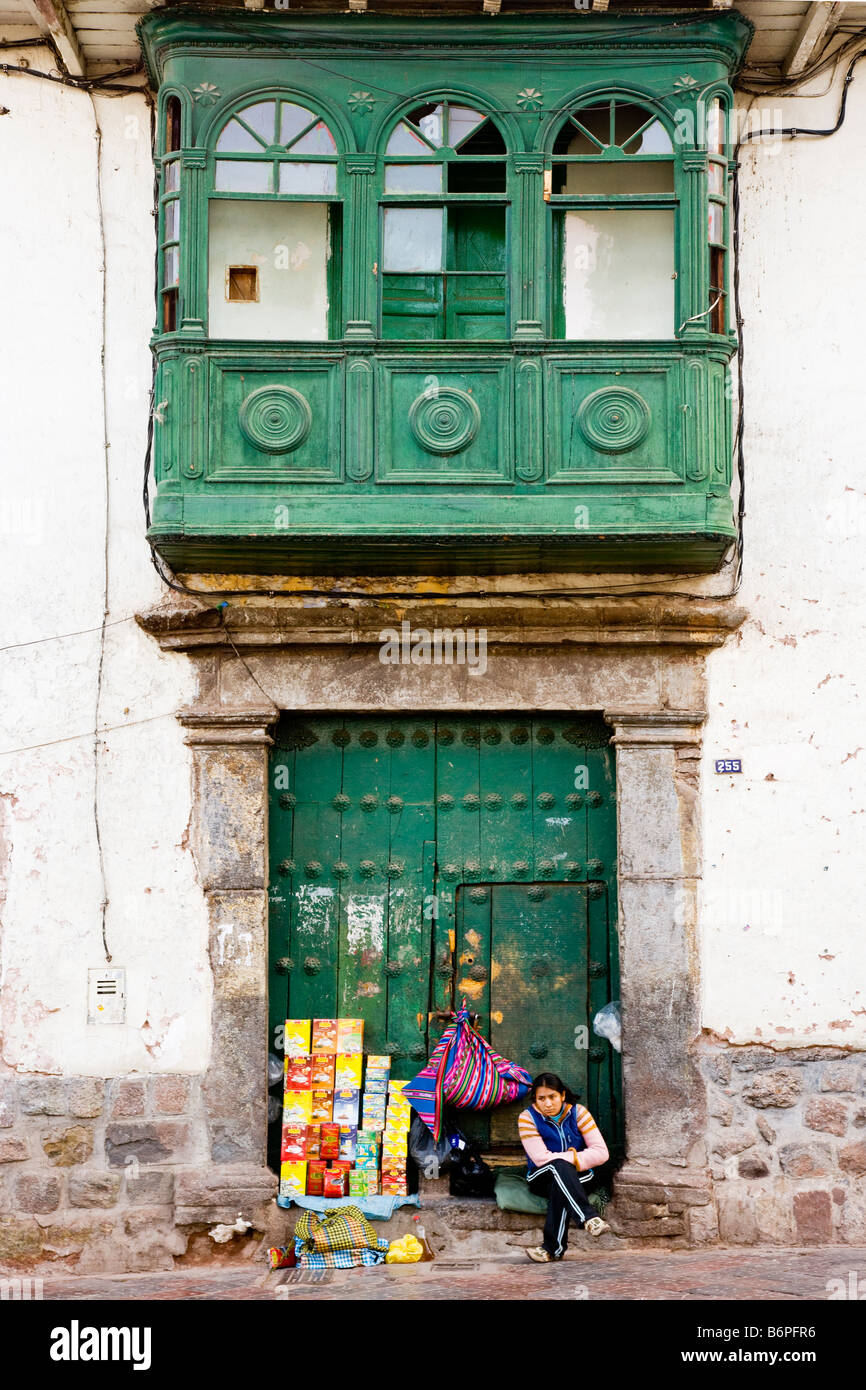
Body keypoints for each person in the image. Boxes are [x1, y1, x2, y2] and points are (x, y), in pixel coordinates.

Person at [518, 1071, 611, 1262]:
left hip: (578, 1176)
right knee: (556, 1167)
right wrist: (571, 1159)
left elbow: (602, 1152)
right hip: (540, 1176)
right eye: (541, 1099)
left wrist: (571, 1160)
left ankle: (552, 1250)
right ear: (535, 1100)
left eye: (552, 1097)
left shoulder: (579, 1113)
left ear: (562, 1095)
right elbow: (540, 1158)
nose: (548, 1104)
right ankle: (587, 1217)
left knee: (560, 1186)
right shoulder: (527, 1118)